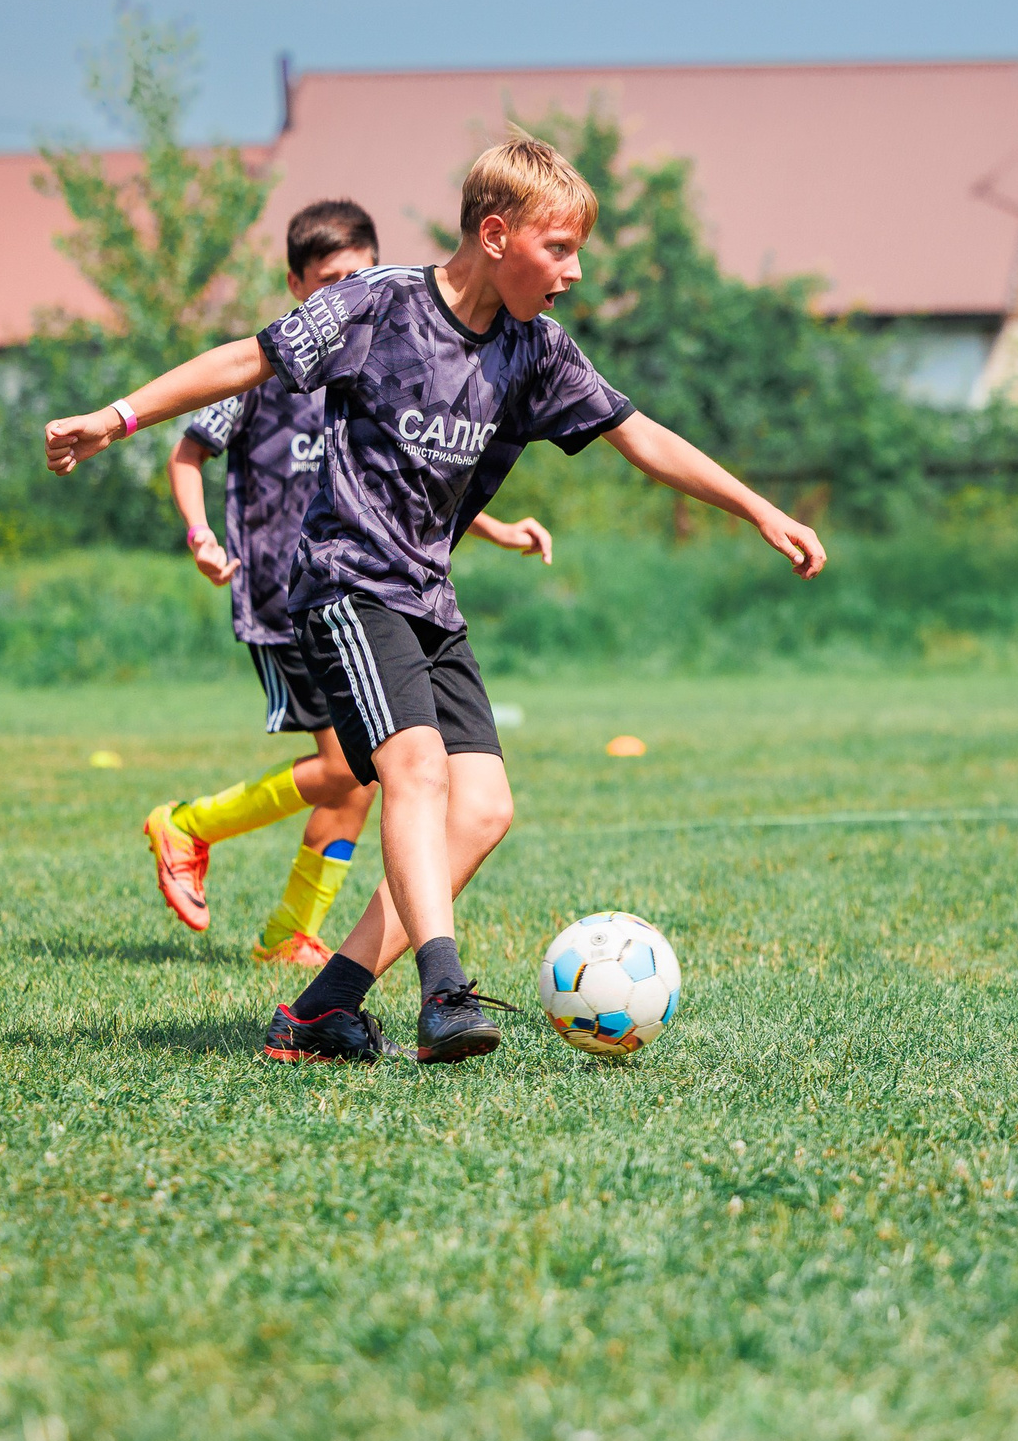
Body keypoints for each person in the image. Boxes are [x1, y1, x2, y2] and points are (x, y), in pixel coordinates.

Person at [46, 131, 826, 1064]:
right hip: (345, 582)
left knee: (484, 808)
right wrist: (118, 416)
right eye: (559, 247)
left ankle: (323, 1009)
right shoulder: (377, 304)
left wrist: (759, 509)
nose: (575, 271)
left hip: (427, 595)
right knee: (414, 770)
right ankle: (444, 993)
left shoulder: (536, 351)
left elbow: (640, 434)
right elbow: (245, 360)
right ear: (495, 235)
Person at [147, 198, 555, 967]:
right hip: (282, 595)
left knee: (367, 774)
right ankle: (190, 825)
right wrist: (201, 535)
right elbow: (187, 452)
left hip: (359, 585)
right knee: (353, 766)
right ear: (297, 285)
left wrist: (496, 527)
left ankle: (289, 932)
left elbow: (408, 477)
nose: (348, 288)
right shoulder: (267, 371)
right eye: (331, 278)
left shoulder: (378, 355)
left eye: (360, 274)